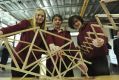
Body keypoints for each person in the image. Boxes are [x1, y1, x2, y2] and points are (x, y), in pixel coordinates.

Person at [0, 8, 46, 77]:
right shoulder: (27, 23)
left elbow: (43, 46)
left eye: (42, 16)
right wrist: (2, 31)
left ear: (44, 18)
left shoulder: (43, 30)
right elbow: (15, 28)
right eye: (38, 15)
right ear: (34, 15)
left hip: (33, 63)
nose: (40, 17)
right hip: (19, 59)